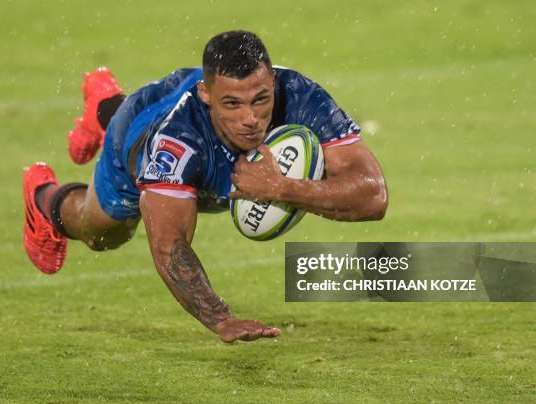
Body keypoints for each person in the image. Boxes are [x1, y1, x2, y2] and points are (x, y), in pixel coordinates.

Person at [22, 30, 388, 343]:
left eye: (261, 99)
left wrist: (283, 188)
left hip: (197, 124)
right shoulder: (176, 143)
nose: (250, 119)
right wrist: (219, 317)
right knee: (102, 234)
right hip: (136, 136)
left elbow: (373, 196)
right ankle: (43, 194)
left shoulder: (300, 95)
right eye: (232, 104)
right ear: (207, 94)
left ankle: (103, 105)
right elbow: (169, 245)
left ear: (272, 83)